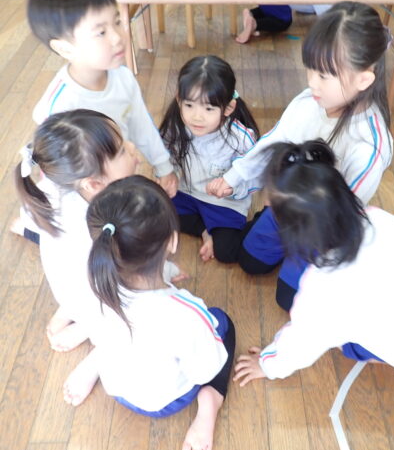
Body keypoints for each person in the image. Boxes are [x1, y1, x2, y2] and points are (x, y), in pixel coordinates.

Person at [233, 141, 394, 389]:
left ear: (293, 233)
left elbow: (298, 346)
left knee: (340, 339)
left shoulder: (319, 288)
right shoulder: (379, 220)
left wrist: (265, 365)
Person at [208, 2, 393, 309]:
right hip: (288, 209)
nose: (311, 82)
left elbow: (342, 215)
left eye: (324, 75)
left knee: (289, 299)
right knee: (250, 261)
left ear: (363, 79)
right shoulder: (309, 101)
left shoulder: (368, 146)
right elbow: (274, 141)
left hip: (322, 230)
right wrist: (234, 177)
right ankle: (267, 219)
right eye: (311, 68)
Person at [63, 176, 235, 450]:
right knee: (223, 321)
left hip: (115, 385)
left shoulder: (91, 282)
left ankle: (94, 362)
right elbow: (204, 369)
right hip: (163, 402)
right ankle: (210, 404)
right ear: (173, 241)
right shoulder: (185, 315)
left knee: (120, 334)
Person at [14, 0, 178, 242]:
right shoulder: (60, 105)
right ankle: (29, 226)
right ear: (65, 48)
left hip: (113, 174)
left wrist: (163, 165)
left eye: (117, 22)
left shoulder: (122, 77)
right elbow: (58, 173)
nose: (117, 37)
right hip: (78, 192)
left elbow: (141, 124)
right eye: (101, 32)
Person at [15, 109, 139, 352]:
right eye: (122, 150)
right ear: (94, 183)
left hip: (68, 287)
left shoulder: (53, 185)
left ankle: (71, 311)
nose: (132, 147)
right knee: (146, 301)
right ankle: (87, 331)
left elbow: (27, 216)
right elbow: (123, 270)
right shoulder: (100, 221)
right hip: (95, 297)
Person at [159, 55, 260, 262]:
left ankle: (215, 228)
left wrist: (232, 188)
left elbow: (255, 178)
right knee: (155, 212)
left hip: (224, 203)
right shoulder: (175, 125)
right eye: (189, 105)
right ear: (178, 99)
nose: (197, 117)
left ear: (228, 108)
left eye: (208, 109)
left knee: (226, 252)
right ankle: (204, 229)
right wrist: (169, 174)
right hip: (187, 194)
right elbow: (165, 155)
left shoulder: (241, 139)